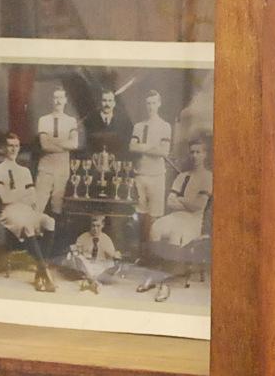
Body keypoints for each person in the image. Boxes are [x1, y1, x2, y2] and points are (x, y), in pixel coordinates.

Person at [0, 133, 57, 290]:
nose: (13, 149)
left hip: (26, 210)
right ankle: (45, 273)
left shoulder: (25, 171)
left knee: (49, 221)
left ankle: (40, 272)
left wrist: (21, 196)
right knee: (27, 224)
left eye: (16, 146)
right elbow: (5, 198)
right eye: (10, 146)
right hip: (9, 212)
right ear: (3, 148)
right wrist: (23, 194)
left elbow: (33, 199)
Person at [151, 136, 211, 246]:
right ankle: (155, 261)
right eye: (192, 152)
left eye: (198, 152)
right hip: (175, 216)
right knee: (156, 227)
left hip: (193, 221)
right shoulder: (182, 176)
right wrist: (189, 203)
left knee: (176, 233)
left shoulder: (208, 177)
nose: (194, 156)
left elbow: (198, 206)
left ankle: (170, 262)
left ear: (205, 154)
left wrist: (180, 199)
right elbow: (170, 202)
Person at [38, 86, 83, 216]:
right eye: (55, 97)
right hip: (46, 167)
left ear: (65, 100)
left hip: (63, 168)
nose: (58, 101)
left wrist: (53, 143)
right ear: (52, 100)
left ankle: (53, 235)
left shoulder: (71, 121)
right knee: (39, 204)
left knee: (57, 206)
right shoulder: (44, 119)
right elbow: (44, 145)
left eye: (61, 98)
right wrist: (64, 145)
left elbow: (74, 144)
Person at [130, 91, 173, 221]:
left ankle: (153, 242)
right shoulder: (138, 126)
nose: (150, 106)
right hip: (140, 174)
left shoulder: (165, 126)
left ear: (159, 104)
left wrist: (142, 147)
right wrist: (153, 147)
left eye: (154, 103)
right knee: (139, 215)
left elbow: (164, 152)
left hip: (157, 176)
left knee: (154, 216)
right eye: (148, 103)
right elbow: (132, 147)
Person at [67, 215, 122, 292]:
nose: (95, 229)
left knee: (115, 265)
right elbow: (76, 252)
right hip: (87, 266)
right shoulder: (83, 237)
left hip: (100, 267)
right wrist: (75, 252)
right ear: (90, 226)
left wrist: (116, 256)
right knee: (78, 258)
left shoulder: (106, 239)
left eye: (98, 226)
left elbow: (113, 255)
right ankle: (95, 281)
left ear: (102, 226)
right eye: (93, 226)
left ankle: (90, 280)